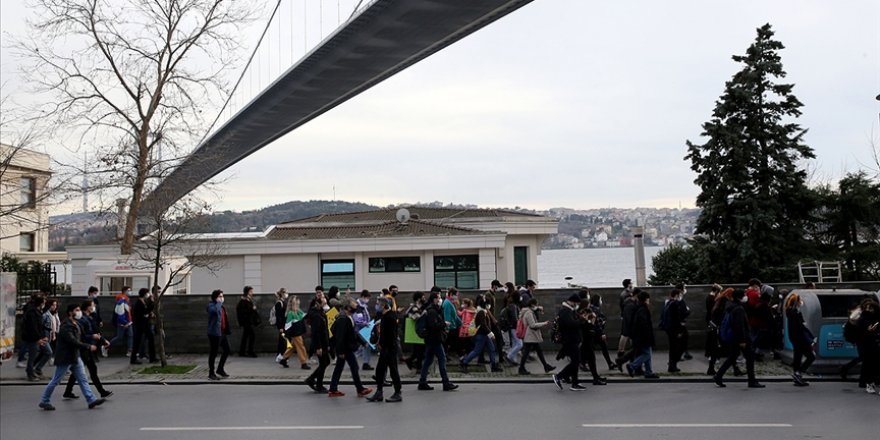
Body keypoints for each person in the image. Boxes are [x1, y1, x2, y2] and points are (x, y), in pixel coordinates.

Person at [38, 303, 106, 411]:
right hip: (66, 357)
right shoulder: (66, 326)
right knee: (56, 380)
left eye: (79, 310)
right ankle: (44, 401)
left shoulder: (76, 324)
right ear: (70, 312)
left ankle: (91, 400)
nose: (79, 312)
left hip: (75, 356)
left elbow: (83, 336)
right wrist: (88, 347)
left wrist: (99, 340)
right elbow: (72, 341)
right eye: (77, 310)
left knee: (83, 379)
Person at [714, 289, 764, 388]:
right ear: (740, 297)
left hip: (733, 338)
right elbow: (739, 325)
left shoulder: (730, 307)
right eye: (744, 295)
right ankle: (752, 381)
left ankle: (718, 375)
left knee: (732, 356)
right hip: (742, 338)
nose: (746, 296)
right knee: (750, 358)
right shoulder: (739, 309)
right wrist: (742, 340)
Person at [63, 299, 112, 399]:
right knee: (91, 369)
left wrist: (102, 339)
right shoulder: (83, 319)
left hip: (87, 346)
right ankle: (101, 392)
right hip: (85, 347)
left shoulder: (89, 318)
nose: (94, 307)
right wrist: (94, 338)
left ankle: (68, 391)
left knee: (78, 371)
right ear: (88, 307)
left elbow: (95, 331)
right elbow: (84, 335)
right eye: (92, 305)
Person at [327, 299, 373, 397]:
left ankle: (333, 389)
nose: (356, 306)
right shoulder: (343, 319)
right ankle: (359, 389)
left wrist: (363, 342)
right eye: (353, 305)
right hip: (345, 348)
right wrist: (341, 351)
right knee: (354, 367)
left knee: (339, 367)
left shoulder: (348, 317)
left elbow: (353, 333)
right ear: (348, 307)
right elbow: (340, 337)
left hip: (345, 347)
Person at [418, 292, 458, 391]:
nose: (440, 300)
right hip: (434, 339)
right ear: (434, 299)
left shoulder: (433, 309)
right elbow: (433, 325)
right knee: (442, 359)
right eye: (439, 298)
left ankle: (422, 382)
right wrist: (444, 324)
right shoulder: (432, 311)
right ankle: (446, 382)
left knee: (428, 360)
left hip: (431, 339)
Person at [366, 297, 403, 403]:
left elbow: (391, 335)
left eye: (378, 304)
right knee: (380, 370)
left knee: (393, 370)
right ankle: (379, 392)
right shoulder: (384, 316)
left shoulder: (390, 317)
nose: (377, 306)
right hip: (385, 348)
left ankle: (397, 392)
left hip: (389, 348)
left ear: (384, 305)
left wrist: (383, 344)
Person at [553, 293, 586, 391]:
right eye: (576, 303)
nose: (577, 305)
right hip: (570, 339)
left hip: (572, 339)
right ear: (572, 302)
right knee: (576, 361)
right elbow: (571, 324)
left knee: (575, 361)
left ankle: (575, 383)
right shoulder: (565, 311)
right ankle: (559, 376)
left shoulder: (569, 310)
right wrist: (581, 320)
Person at [626, 290, 659, 379]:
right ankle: (632, 366)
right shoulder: (643, 310)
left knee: (647, 353)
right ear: (646, 299)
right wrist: (648, 337)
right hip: (643, 337)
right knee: (647, 354)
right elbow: (644, 325)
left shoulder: (638, 308)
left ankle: (648, 372)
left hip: (639, 337)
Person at [459, 305, 502, 373]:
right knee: (477, 351)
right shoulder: (482, 312)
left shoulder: (482, 312)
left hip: (485, 335)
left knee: (492, 349)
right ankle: (464, 362)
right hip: (482, 335)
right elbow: (483, 324)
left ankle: (493, 365)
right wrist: (491, 333)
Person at [517, 298, 555, 375]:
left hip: (531, 335)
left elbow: (535, 309)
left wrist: (538, 309)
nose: (537, 306)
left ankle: (545, 366)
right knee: (527, 352)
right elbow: (532, 325)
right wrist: (543, 323)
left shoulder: (527, 311)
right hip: (530, 335)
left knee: (537, 351)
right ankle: (521, 368)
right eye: (536, 304)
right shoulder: (529, 313)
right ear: (532, 305)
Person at [784, 293, 815, 387]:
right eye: (799, 300)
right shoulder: (795, 314)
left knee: (797, 357)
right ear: (796, 302)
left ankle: (797, 375)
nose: (801, 302)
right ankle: (798, 373)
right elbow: (801, 328)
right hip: (800, 339)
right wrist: (810, 340)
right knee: (810, 357)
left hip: (795, 339)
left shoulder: (791, 313)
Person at [304, 291, 331, 393]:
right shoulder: (316, 315)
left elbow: (324, 330)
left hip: (323, 343)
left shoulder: (321, 313)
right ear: (318, 303)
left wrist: (327, 344)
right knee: (324, 363)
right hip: (319, 344)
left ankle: (312, 379)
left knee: (325, 362)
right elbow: (315, 332)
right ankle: (317, 383)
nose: (325, 303)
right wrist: (318, 347)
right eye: (324, 302)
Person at [853, 299, 879, 394]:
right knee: (868, 364)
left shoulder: (874, 318)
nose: (869, 310)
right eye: (867, 308)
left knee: (871, 364)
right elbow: (859, 332)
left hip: (872, 344)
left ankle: (868, 382)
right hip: (865, 345)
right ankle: (869, 383)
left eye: (871, 308)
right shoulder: (862, 319)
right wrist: (868, 331)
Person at [22, 295, 51, 381]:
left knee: (48, 352)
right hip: (33, 338)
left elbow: (39, 326)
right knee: (32, 356)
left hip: (39, 337)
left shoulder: (38, 311)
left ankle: (36, 369)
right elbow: (33, 327)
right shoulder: (32, 312)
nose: (45, 304)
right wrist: (39, 338)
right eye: (44, 302)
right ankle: (30, 374)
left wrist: (43, 336)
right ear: (41, 303)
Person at [278, 295, 310, 369]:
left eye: (298, 304)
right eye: (297, 304)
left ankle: (284, 359)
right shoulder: (291, 313)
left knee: (293, 346)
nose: (298, 305)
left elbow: (305, 315)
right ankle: (303, 362)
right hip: (295, 333)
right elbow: (287, 325)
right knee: (301, 347)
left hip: (297, 332)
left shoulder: (298, 311)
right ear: (293, 304)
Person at [206, 290, 231, 380]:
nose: (222, 298)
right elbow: (215, 311)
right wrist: (218, 303)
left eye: (222, 296)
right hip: (214, 333)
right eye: (220, 296)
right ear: (215, 297)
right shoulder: (211, 305)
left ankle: (220, 369)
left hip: (222, 332)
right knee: (213, 353)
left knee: (227, 350)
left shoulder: (221, 306)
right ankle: (211, 373)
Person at [663, 288, 688, 373]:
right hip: (674, 329)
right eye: (680, 295)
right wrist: (680, 330)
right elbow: (677, 317)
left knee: (673, 347)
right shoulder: (675, 304)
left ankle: (672, 365)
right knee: (678, 346)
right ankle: (673, 365)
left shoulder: (668, 303)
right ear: (677, 295)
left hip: (669, 328)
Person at [589, 294, 616, 370]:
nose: (601, 302)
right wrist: (602, 333)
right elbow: (597, 323)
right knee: (593, 349)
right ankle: (609, 363)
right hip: (596, 333)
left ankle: (610, 363)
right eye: (600, 300)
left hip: (594, 332)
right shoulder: (595, 310)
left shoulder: (593, 308)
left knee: (601, 347)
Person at [130, 288, 156, 365]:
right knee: (146, 339)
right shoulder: (139, 303)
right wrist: (152, 302)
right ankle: (151, 357)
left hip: (143, 323)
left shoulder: (143, 302)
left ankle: (151, 357)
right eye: (147, 293)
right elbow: (145, 311)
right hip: (141, 324)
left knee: (139, 340)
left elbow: (146, 312)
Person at [403, 292, 426, 371]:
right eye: (423, 297)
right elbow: (415, 317)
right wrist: (423, 314)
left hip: (419, 331)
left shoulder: (421, 307)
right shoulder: (414, 307)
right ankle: (418, 367)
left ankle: (412, 362)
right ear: (419, 299)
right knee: (419, 350)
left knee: (418, 351)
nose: (424, 298)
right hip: (415, 332)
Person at [236, 286, 260, 357]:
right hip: (247, 322)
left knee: (245, 336)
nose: (252, 293)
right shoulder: (243, 301)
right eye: (251, 291)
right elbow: (242, 311)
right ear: (247, 292)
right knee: (252, 336)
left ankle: (242, 352)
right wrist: (252, 308)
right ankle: (250, 351)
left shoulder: (248, 300)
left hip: (248, 321)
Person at [353, 290, 374, 371]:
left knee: (364, 346)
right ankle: (365, 363)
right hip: (360, 329)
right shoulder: (358, 305)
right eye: (367, 298)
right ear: (363, 296)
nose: (367, 299)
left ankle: (364, 362)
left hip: (364, 328)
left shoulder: (363, 305)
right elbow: (357, 318)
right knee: (366, 345)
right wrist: (365, 323)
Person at [109, 287, 133, 356]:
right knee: (120, 337)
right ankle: (106, 345)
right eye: (128, 290)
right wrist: (124, 322)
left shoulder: (126, 300)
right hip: (123, 322)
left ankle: (130, 350)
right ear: (124, 291)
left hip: (128, 321)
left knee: (130, 335)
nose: (130, 292)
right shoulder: (122, 300)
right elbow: (120, 313)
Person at [502, 287, 523, 366]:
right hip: (514, 327)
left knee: (515, 343)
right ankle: (509, 356)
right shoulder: (513, 306)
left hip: (511, 327)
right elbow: (515, 318)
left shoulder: (511, 305)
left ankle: (513, 360)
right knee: (520, 344)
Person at [441, 288, 463, 358]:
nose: (457, 297)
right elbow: (447, 316)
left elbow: (455, 315)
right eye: (456, 295)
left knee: (449, 343)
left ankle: (445, 356)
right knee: (456, 342)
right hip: (451, 327)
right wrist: (447, 327)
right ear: (451, 294)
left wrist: (461, 323)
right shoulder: (448, 303)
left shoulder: (450, 302)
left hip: (452, 326)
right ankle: (461, 356)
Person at [616, 278, 634, 359]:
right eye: (631, 283)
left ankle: (622, 350)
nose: (632, 284)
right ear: (628, 284)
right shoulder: (627, 294)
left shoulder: (624, 293)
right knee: (626, 334)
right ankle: (621, 350)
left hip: (624, 315)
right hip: (627, 315)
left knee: (625, 333)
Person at [273, 288, 288, 358]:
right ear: (282, 294)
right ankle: (280, 354)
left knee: (283, 340)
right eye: (285, 293)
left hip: (285, 324)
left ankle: (281, 354)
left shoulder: (283, 302)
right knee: (282, 340)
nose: (286, 294)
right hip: (282, 325)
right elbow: (278, 316)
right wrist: (280, 327)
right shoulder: (279, 303)